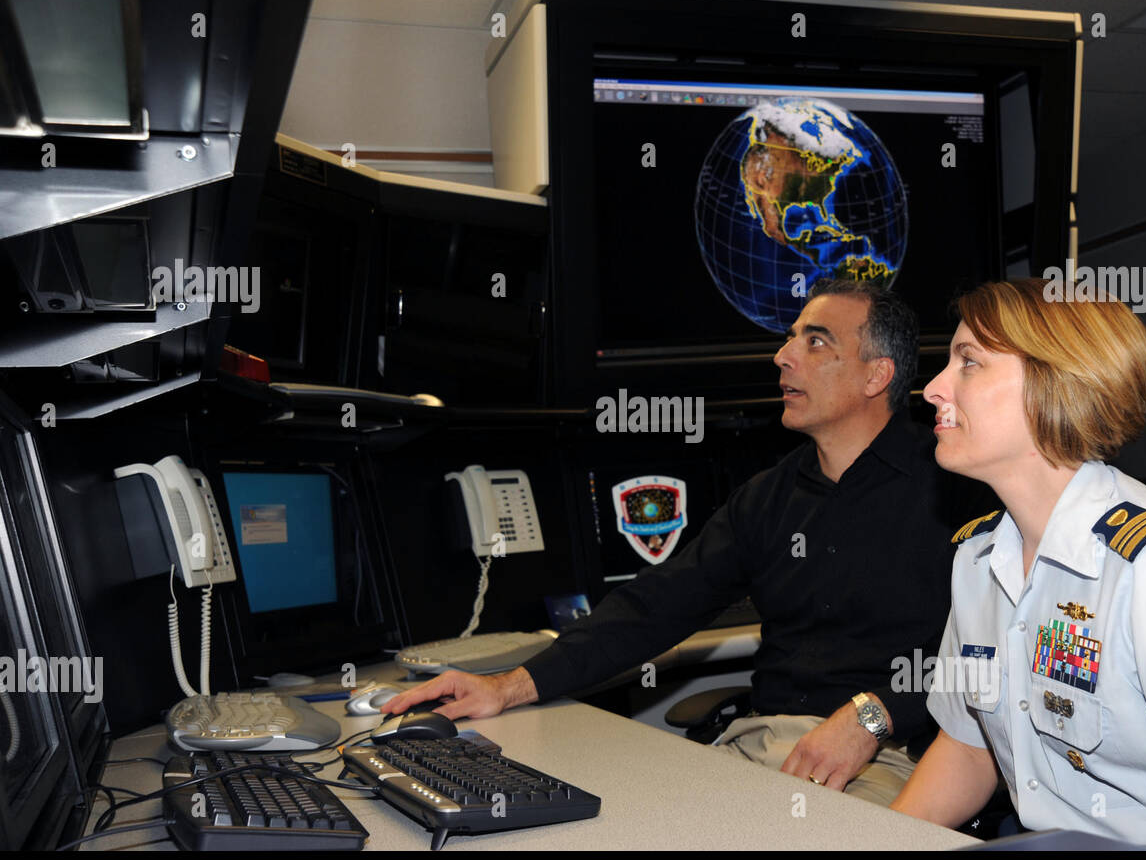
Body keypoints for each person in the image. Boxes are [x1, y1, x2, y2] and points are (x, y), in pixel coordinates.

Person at [384, 279, 986, 804]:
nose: (782, 357)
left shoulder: (955, 491)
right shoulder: (767, 498)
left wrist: (870, 717)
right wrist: (506, 686)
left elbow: (983, 655)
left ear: (876, 375)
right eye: (790, 337)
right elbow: (655, 606)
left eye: (815, 341)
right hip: (764, 747)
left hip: (893, 756)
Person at [890, 277, 1146, 849]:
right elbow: (966, 748)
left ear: (1053, 384)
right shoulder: (977, 562)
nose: (933, 388)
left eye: (969, 362)